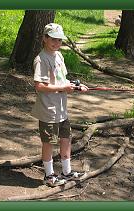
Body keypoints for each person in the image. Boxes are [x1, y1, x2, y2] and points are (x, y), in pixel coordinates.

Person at [31, 23, 88, 187]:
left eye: (59, 40)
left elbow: (63, 81)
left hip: (62, 110)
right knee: (49, 142)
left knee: (66, 139)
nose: (57, 43)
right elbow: (39, 86)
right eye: (53, 39)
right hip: (48, 110)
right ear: (45, 38)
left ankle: (67, 172)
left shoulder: (59, 56)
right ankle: (49, 176)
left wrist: (77, 86)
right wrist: (64, 87)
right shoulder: (41, 60)